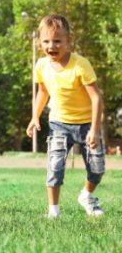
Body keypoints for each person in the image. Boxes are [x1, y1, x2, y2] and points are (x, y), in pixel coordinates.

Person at [26, 14, 105, 218]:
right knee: (55, 165)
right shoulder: (41, 66)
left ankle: (86, 196)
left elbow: (96, 98)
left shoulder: (81, 65)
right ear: (40, 42)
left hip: (87, 124)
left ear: (68, 41)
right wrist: (35, 116)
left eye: (57, 41)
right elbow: (43, 92)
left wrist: (95, 130)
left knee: (97, 169)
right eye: (46, 41)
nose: (51, 46)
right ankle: (53, 211)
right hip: (59, 124)